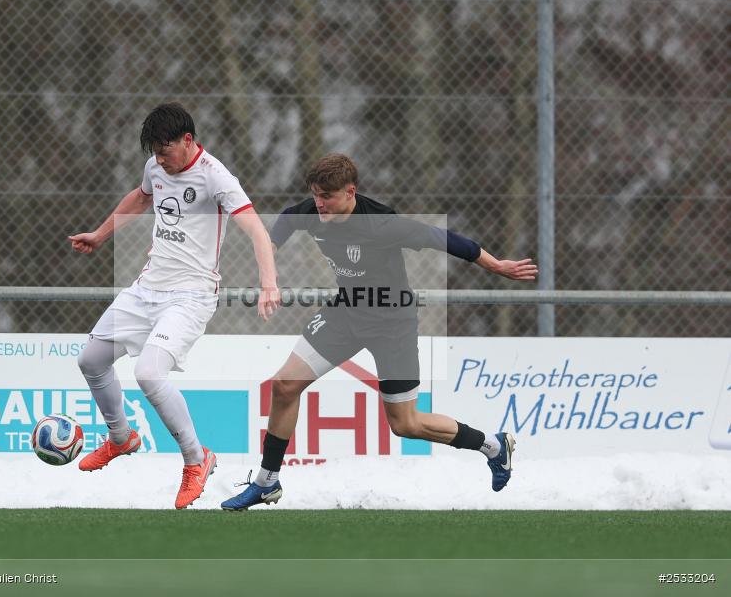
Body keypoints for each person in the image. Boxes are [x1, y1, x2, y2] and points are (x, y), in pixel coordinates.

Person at [221, 153, 537, 510]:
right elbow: (286, 221)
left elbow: (442, 239)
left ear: (350, 192)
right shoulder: (314, 210)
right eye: (315, 195)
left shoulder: (382, 224)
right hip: (345, 314)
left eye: (327, 196)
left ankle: (492, 446)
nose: (319, 203)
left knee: (405, 424)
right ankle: (267, 482)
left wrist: (495, 264)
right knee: (285, 386)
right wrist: (270, 255)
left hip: (393, 324)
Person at [69, 103, 280, 509]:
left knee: (149, 373)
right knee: (91, 361)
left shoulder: (216, 177)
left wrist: (268, 282)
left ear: (188, 140)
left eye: (165, 150)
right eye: (153, 152)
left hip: (192, 295)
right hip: (147, 288)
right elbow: (140, 198)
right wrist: (100, 234)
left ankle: (197, 460)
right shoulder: (156, 167)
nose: (159, 160)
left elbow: (256, 228)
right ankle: (121, 438)